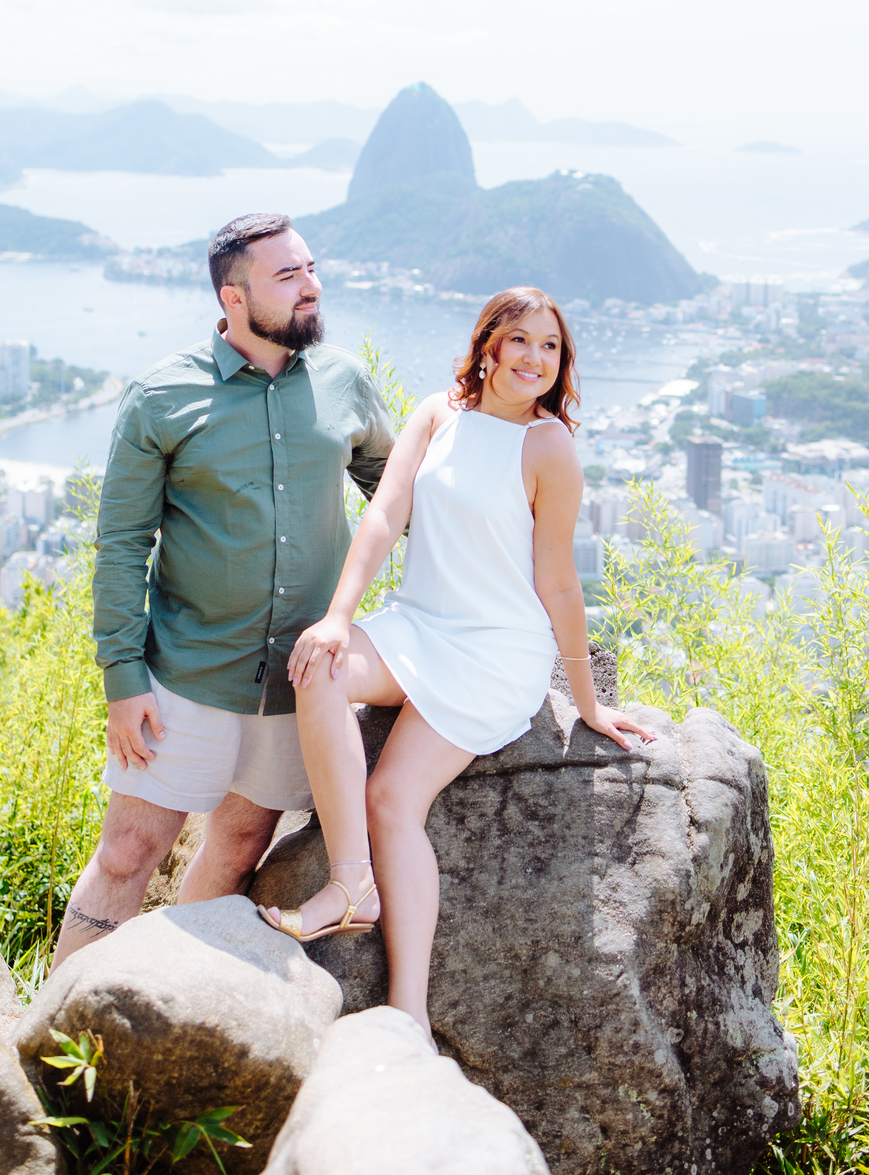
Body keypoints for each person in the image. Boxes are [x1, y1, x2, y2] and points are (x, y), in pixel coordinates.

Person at [258, 286, 655, 1040]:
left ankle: (407, 1005)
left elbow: (560, 583)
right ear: (488, 345)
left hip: (495, 650)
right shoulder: (438, 413)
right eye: (521, 341)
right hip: (419, 625)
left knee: (392, 802)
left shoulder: (549, 448)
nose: (536, 359)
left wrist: (589, 703)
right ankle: (351, 886)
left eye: (550, 346)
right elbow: (382, 516)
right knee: (318, 667)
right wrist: (338, 617)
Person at [50, 212, 394, 971]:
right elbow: (122, 547)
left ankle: (168, 1002)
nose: (312, 287)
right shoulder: (160, 398)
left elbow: (396, 500)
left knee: (239, 845)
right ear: (233, 298)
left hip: (297, 682)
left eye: (310, 268)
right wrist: (121, 678)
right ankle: (53, 1027)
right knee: (126, 852)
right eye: (288, 276)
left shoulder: (344, 382)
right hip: (184, 674)